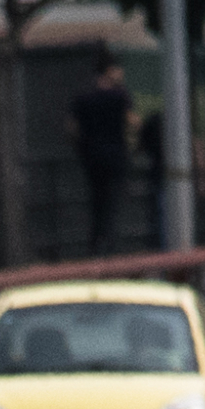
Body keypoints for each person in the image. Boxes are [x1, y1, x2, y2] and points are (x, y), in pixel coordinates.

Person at [68, 54, 136, 257]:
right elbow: (133, 122)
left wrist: (82, 147)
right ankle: (111, 248)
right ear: (109, 70)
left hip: (91, 158)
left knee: (96, 202)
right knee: (113, 203)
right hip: (115, 156)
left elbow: (71, 129)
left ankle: (94, 247)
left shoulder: (83, 98)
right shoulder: (120, 96)